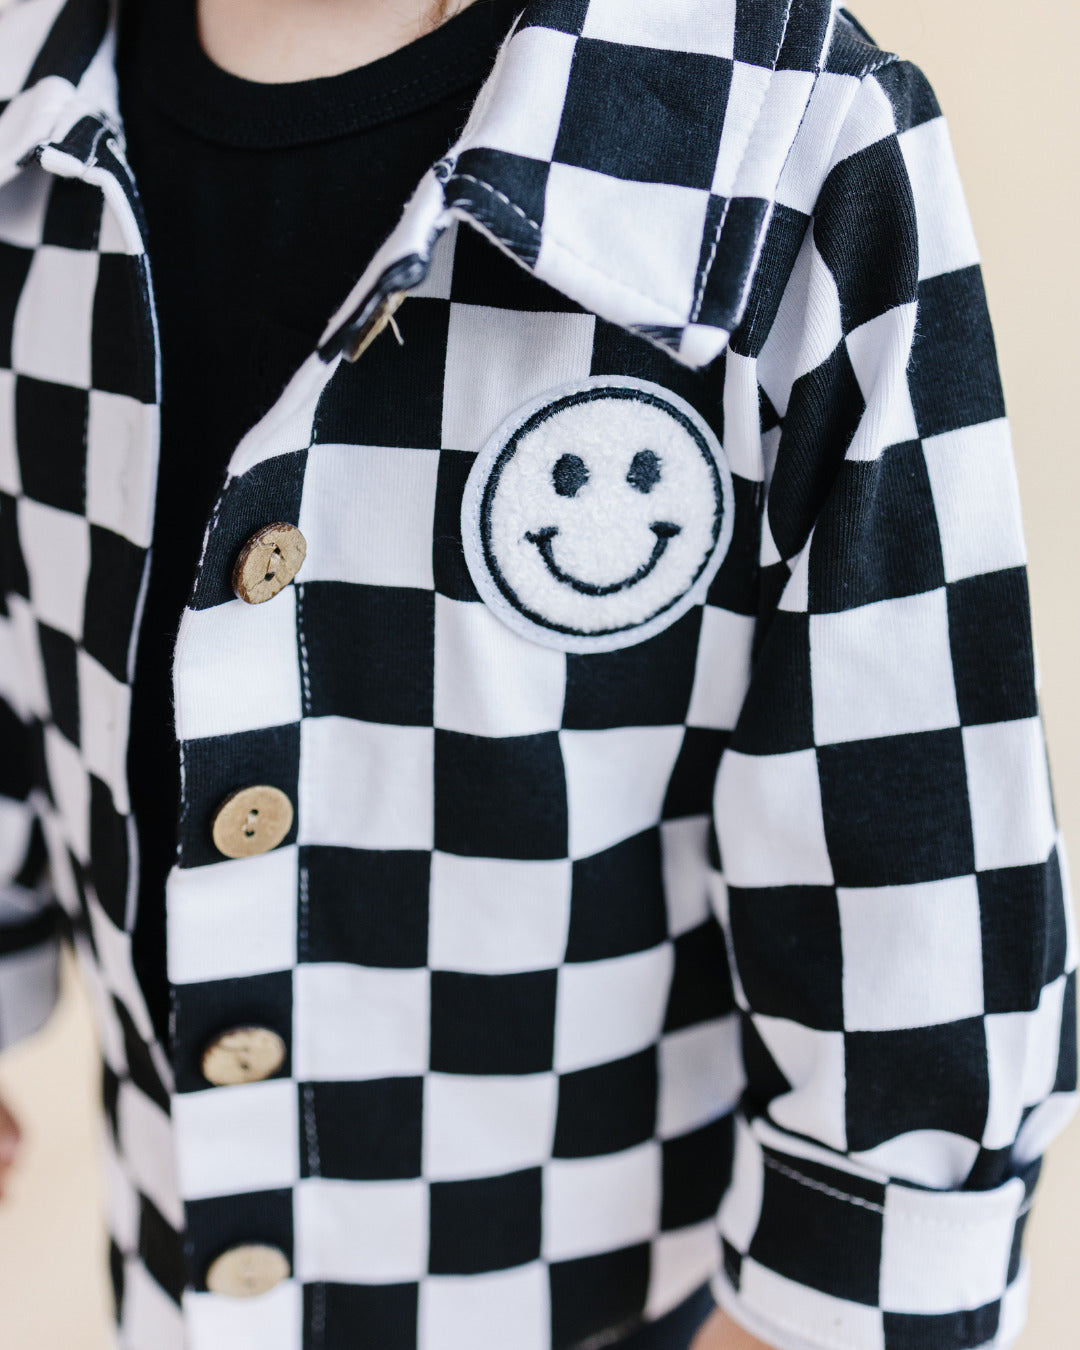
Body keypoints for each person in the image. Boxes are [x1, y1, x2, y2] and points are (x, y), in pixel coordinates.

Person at [0, 0, 1074, 1347]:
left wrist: (840, 1292)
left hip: (613, 1297)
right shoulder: (33, 105)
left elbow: (918, 831)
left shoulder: (787, 141)